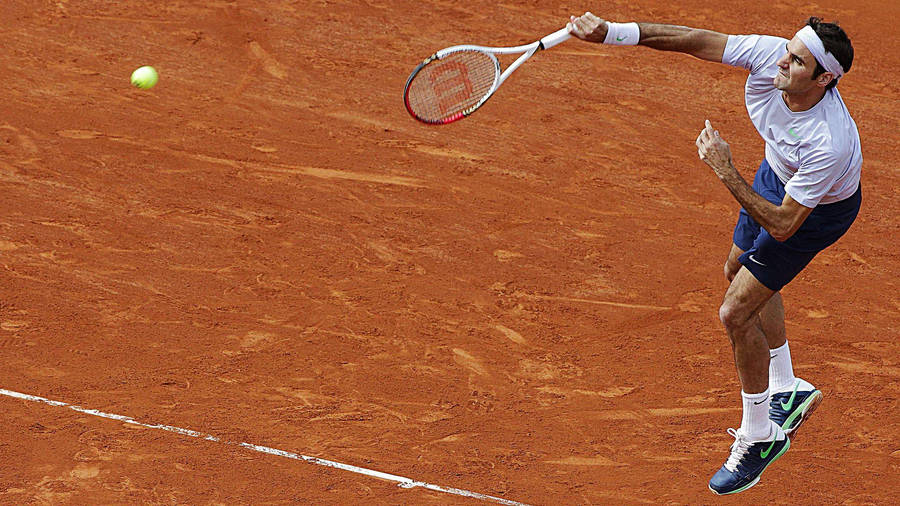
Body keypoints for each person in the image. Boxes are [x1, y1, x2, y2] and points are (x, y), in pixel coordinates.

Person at [566, 12, 861, 495]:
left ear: (825, 79)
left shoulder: (828, 142)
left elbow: (785, 225)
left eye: (798, 62)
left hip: (814, 213)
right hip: (776, 175)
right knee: (736, 270)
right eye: (788, 51)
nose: (782, 63)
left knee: (735, 313)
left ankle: (760, 435)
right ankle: (787, 386)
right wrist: (613, 34)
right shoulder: (774, 57)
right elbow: (694, 39)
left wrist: (725, 170)